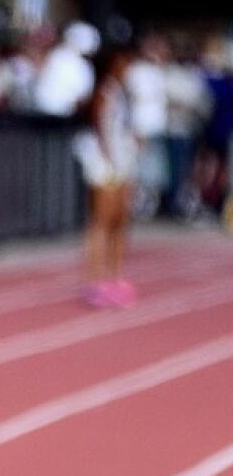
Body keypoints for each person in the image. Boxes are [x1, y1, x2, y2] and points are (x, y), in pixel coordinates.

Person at [73, 46, 138, 307]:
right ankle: (96, 280)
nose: (127, 68)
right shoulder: (103, 93)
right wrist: (111, 160)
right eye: (123, 63)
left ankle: (115, 276)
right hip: (105, 165)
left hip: (122, 161)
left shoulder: (122, 93)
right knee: (101, 220)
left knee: (119, 221)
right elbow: (100, 130)